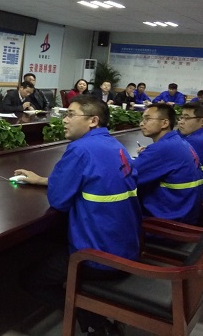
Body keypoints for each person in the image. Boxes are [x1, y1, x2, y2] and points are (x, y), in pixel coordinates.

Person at [14, 95, 140, 336]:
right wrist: (42, 180)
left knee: (31, 278)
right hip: (126, 247)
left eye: (71, 115)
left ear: (93, 120)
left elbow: (59, 201)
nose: (64, 120)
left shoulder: (81, 149)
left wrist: (56, 182)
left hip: (98, 256)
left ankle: (93, 319)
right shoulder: (114, 145)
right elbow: (93, 180)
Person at [133, 103, 203, 224]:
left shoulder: (163, 148)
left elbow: (126, 175)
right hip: (185, 211)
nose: (141, 123)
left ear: (165, 123)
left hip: (169, 219)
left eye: (147, 119)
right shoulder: (177, 141)